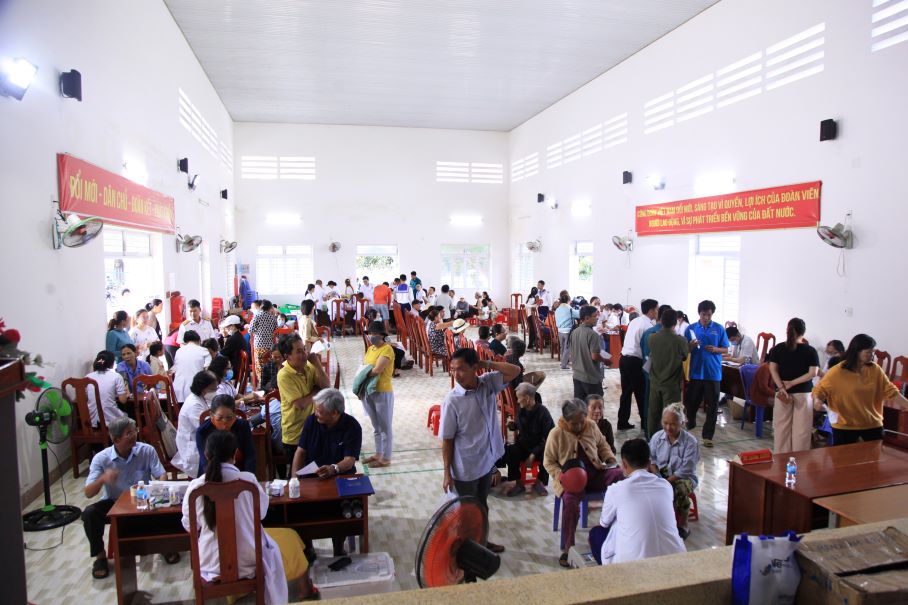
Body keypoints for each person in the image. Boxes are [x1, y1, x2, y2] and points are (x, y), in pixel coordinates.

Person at [183, 430, 316, 603]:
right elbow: (262, 514)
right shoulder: (248, 481)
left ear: (206, 455)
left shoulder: (195, 487)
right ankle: (304, 589)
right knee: (283, 539)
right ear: (235, 454)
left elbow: (189, 526)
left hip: (209, 566)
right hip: (250, 564)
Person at [441, 348, 521, 555]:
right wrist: (447, 473)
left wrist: (487, 364)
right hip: (465, 468)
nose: (456, 375)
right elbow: (447, 440)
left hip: (485, 462)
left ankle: (481, 542)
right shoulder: (452, 401)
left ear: (475, 368)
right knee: (465, 512)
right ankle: (463, 553)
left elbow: (515, 371)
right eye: (453, 370)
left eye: (461, 369)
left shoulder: (487, 384)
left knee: (482, 505)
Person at [82, 417, 168, 579]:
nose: (135, 435)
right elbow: (88, 492)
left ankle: (165, 546)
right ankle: (100, 557)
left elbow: (161, 474)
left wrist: (159, 487)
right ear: (116, 439)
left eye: (135, 431)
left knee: (168, 506)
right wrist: (103, 479)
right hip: (115, 503)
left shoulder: (146, 450)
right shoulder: (101, 458)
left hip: (142, 500)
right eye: (129, 433)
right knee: (89, 513)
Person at [543, 398, 622, 567]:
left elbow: (603, 445)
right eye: (574, 424)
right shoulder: (556, 433)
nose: (579, 426)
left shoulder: (591, 426)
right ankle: (568, 548)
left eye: (581, 421)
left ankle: (622, 533)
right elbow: (548, 462)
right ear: (565, 420)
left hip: (594, 474)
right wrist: (560, 476)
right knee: (570, 503)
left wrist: (610, 459)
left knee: (620, 476)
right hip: (570, 482)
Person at [589, 438, 686, 565]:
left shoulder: (616, 490)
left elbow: (604, 523)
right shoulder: (665, 486)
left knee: (596, 533)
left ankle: (611, 573)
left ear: (624, 464)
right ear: (649, 463)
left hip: (633, 566)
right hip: (675, 559)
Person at [290, 388, 362, 556]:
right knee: (300, 511)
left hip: (340, 477)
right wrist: (294, 479)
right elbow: (300, 451)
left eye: (320, 412)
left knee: (338, 511)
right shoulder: (311, 422)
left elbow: (349, 460)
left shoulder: (352, 427)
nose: (316, 414)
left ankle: (338, 547)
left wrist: (333, 468)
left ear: (335, 413)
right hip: (312, 477)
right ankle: (308, 547)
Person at [812, 333, 908, 445]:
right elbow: (819, 390)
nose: (872, 355)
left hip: (872, 423)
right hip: (845, 426)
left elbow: (891, 391)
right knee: (844, 456)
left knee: (875, 455)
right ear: (856, 351)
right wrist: (817, 401)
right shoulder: (838, 371)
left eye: (872, 352)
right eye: (868, 352)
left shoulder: (875, 370)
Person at [767, 318, 819, 453]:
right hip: (803, 393)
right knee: (802, 430)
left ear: (787, 330)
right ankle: (799, 461)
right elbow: (813, 373)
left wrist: (781, 386)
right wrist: (792, 383)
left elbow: (773, 369)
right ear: (803, 332)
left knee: (781, 428)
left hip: (782, 393)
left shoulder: (778, 349)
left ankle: (781, 458)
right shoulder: (810, 351)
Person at [649, 403, 700, 539]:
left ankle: (683, 524)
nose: (668, 427)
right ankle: (656, 520)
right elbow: (652, 459)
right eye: (665, 423)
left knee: (679, 489)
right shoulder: (657, 437)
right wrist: (657, 476)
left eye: (673, 424)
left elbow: (687, 469)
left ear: (682, 423)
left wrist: (667, 481)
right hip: (661, 475)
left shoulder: (690, 442)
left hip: (685, 477)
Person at [277, 333, 330, 464]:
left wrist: (317, 364)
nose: (305, 354)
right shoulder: (284, 375)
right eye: (299, 351)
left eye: (304, 349)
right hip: (295, 435)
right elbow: (300, 404)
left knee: (316, 471)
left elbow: (326, 387)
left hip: (314, 429)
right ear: (287, 356)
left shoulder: (308, 366)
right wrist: (316, 391)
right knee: (299, 473)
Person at [683, 300, 729, 447]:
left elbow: (726, 349)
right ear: (699, 313)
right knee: (691, 403)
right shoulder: (691, 328)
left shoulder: (719, 329)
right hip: (696, 372)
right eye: (704, 314)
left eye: (709, 315)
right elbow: (685, 350)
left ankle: (708, 436)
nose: (706, 317)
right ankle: (690, 423)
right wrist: (690, 346)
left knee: (713, 406)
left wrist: (716, 349)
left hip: (713, 373)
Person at [498, 382, 554, 497]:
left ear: (527, 398)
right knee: (510, 450)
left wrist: (533, 454)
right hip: (524, 445)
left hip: (540, 447)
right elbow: (521, 427)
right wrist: (513, 426)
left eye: (519, 398)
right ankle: (519, 483)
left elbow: (548, 438)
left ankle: (539, 482)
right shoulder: (521, 410)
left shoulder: (543, 413)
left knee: (549, 452)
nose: (517, 401)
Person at [646, 309, 689, 437]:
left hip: (655, 382)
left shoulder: (652, 338)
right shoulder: (680, 340)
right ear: (675, 323)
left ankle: (653, 440)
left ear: (661, 321)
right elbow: (684, 356)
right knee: (673, 416)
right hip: (671, 385)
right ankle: (671, 441)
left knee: (654, 414)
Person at [619, 298, 658, 431]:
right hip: (635, 361)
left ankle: (622, 422)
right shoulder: (648, 326)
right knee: (641, 393)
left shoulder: (635, 321)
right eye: (657, 309)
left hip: (624, 358)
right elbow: (647, 349)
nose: (658, 312)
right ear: (651, 311)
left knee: (626, 393)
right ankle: (645, 423)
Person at [361, 321, 395, 468]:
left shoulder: (387, 349)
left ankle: (386, 458)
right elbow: (365, 367)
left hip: (382, 392)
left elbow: (377, 370)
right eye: (370, 333)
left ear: (382, 335)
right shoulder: (370, 349)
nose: (371, 336)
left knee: (385, 426)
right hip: (369, 391)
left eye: (375, 334)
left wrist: (362, 374)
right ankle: (378, 453)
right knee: (376, 426)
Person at [172, 370, 219, 478]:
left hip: (200, 443)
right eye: (212, 389)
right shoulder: (194, 405)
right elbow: (207, 428)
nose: (215, 392)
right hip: (193, 450)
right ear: (202, 388)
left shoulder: (200, 398)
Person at [195, 394, 256, 476]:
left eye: (229, 418)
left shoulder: (242, 426)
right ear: (211, 415)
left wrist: (247, 476)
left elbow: (250, 455)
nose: (224, 422)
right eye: (219, 418)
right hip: (211, 474)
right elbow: (205, 462)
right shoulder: (202, 432)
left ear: (234, 414)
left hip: (239, 473)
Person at [570, 305, 606, 398]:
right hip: (590, 377)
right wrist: (605, 360)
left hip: (577, 376)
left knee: (580, 405)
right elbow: (595, 356)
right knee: (595, 404)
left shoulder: (574, 332)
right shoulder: (593, 335)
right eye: (595, 316)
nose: (597, 318)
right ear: (586, 318)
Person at [85, 350, 128, 426]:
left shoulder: (88, 377)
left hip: (91, 421)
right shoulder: (116, 376)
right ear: (112, 364)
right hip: (111, 421)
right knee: (128, 416)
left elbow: (86, 397)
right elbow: (123, 400)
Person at [172, 330, 211, 402]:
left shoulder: (179, 351)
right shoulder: (204, 350)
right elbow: (207, 369)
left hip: (178, 390)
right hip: (196, 390)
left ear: (185, 341)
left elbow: (174, 368)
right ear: (199, 340)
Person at [250, 299, 279, 380]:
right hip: (269, 347)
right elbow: (277, 333)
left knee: (260, 367)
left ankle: (261, 382)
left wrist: (258, 333)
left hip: (259, 346)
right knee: (269, 366)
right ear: (269, 308)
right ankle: (269, 383)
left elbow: (250, 330)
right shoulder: (273, 318)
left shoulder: (257, 316)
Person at [555, 292, 580, 370]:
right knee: (567, 347)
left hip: (559, 331)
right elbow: (579, 315)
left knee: (562, 347)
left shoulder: (558, 309)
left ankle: (562, 362)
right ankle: (564, 365)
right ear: (568, 300)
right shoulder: (569, 308)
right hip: (567, 331)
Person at [219, 314, 246, 379]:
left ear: (233, 326)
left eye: (227, 327)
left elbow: (222, 354)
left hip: (234, 371)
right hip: (239, 368)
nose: (226, 329)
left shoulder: (233, 339)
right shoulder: (239, 336)